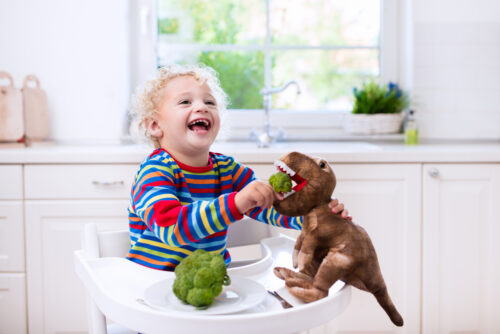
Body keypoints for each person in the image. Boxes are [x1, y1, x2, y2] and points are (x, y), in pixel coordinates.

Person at [126, 64, 351, 270]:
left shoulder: (228, 169)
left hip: (215, 283)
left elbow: (266, 205)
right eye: (185, 102)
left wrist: (311, 218)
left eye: (209, 102)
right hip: (153, 287)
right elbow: (171, 227)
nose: (201, 107)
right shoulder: (155, 171)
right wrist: (236, 202)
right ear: (155, 125)